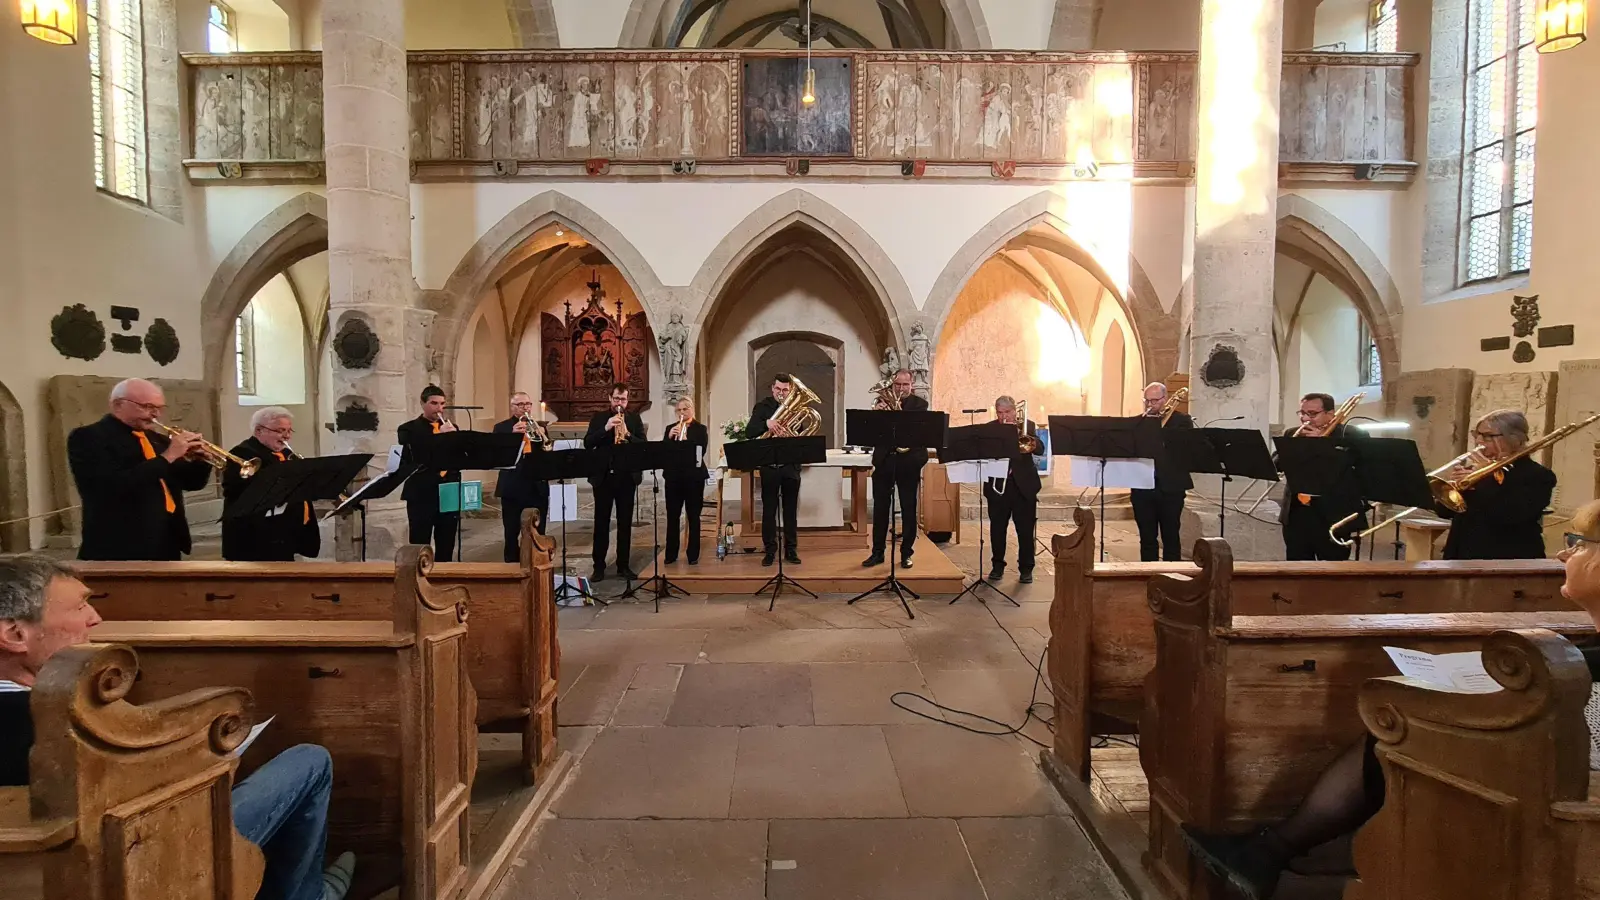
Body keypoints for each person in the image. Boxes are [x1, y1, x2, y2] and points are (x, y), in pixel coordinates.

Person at [1182, 501, 1600, 900]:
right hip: (1541, 769)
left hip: (1546, 792)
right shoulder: (1584, 646)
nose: (1565, 554)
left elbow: (1587, 754)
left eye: (1580, 543)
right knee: (1395, 729)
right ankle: (1284, 854)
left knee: (1398, 729)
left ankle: (1284, 855)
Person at [0, 554, 356, 900]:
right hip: (143, 868)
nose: (96, 618)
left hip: (54, 868)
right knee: (309, 763)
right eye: (79, 608)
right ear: (15, 634)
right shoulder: (61, 725)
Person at [67, 378, 213, 561]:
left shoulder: (158, 440)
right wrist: (168, 457)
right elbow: (110, 487)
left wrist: (201, 460)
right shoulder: (89, 437)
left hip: (167, 540)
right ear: (118, 405)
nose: (155, 415)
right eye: (147, 407)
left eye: (160, 408)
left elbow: (192, 484)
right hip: (119, 544)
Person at [1436, 409, 1555, 560]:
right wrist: (1452, 488)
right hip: (1461, 555)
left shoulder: (1538, 476)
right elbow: (1444, 512)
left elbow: (1512, 515)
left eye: (1488, 436)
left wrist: (1485, 479)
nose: (1478, 441)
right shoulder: (1473, 471)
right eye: (1477, 434)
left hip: (1508, 560)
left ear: (1515, 439)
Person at [222, 407, 321, 562]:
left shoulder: (287, 454)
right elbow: (234, 490)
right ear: (259, 430)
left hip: (284, 532)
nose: (286, 436)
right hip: (254, 536)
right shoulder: (242, 453)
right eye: (281, 431)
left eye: (289, 431)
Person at [1280, 393, 1365, 561]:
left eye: (1312, 414)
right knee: (1295, 569)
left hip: (1333, 514)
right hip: (1297, 513)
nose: (1305, 419)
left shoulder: (1350, 435)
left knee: (1334, 571)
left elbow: (1357, 467)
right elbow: (1277, 464)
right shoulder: (1292, 434)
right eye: (1302, 413)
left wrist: (1322, 445)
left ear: (1330, 414)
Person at [864, 370, 930, 570]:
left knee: (909, 510)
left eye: (905, 385)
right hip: (885, 460)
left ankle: (906, 554)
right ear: (892, 385)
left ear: (912, 385)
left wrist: (896, 413)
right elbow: (871, 433)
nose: (901, 389)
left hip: (909, 462)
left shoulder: (920, 405)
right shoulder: (879, 404)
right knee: (880, 510)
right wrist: (876, 416)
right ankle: (877, 553)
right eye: (897, 385)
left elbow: (918, 433)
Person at [583, 383, 646, 581]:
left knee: (625, 523)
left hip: (626, 477)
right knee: (601, 523)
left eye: (624, 399)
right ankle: (599, 567)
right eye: (617, 399)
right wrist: (606, 428)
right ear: (610, 398)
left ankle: (623, 565)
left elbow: (643, 446)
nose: (620, 403)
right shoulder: (599, 418)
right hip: (603, 477)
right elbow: (588, 442)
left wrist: (627, 434)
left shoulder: (634, 419)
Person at [1130, 382, 1194, 562]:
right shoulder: (1139, 422)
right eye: (1147, 401)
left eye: (1155, 400)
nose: (1150, 405)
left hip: (1171, 487)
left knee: (1170, 535)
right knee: (1147, 537)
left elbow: (1184, 450)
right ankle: (1148, 575)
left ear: (1165, 399)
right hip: (1142, 487)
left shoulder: (1182, 421)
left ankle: (1173, 576)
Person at [398, 385, 461, 562]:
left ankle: (444, 576)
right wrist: (439, 437)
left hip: (448, 490)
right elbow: (416, 455)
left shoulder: (451, 426)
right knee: (419, 541)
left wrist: (458, 440)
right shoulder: (408, 429)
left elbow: (457, 457)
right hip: (422, 492)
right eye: (434, 403)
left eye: (442, 404)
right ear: (422, 403)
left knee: (447, 540)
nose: (439, 408)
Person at [986, 396, 1045, 584]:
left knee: (1025, 530)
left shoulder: (1027, 425)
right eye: (1000, 413)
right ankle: (997, 566)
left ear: (1014, 411)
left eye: (1007, 412)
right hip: (999, 486)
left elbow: (1040, 449)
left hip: (1023, 486)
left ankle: (1026, 568)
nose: (1004, 417)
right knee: (997, 529)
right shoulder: (990, 428)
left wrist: (1030, 441)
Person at [746, 374, 803, 567]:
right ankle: (770, 550)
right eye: (778, 389)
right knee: (769, 511)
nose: (781, 393)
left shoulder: (796, 409)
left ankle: (791, 549)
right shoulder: (762, 407)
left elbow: (802, 435)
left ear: (790, 391)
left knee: (790, 511)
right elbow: (750, 431)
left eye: (785, 390)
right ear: (772, 388)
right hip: (769, 466)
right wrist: (767, 424)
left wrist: (791, 435)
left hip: (790, 466)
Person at [492, 393, 551, 564]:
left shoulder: (539, 427)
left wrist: (543, 436)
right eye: (520, 404)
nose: (525, 407)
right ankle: (511, 567)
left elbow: (547, 453)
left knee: (538, 530)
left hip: (536, 486)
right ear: (512, 407)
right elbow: (496, 455)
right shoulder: (501, 428)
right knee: (511, 532)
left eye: (528, 404)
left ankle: (538, 565)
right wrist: (512, 436)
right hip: (512, 487)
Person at [664, 397, 709, 565]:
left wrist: (685, 438)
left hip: (694, 478)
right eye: (679, 410)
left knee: (694, 516)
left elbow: (701, 450)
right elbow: (664, 452)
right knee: (672, 516)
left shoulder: (700, 429)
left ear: (692, 410)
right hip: (673, 478)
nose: (682, 413)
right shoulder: (670, 428)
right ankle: (671, 553)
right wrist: (670, 437)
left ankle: (693, 554)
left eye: (685, 409)